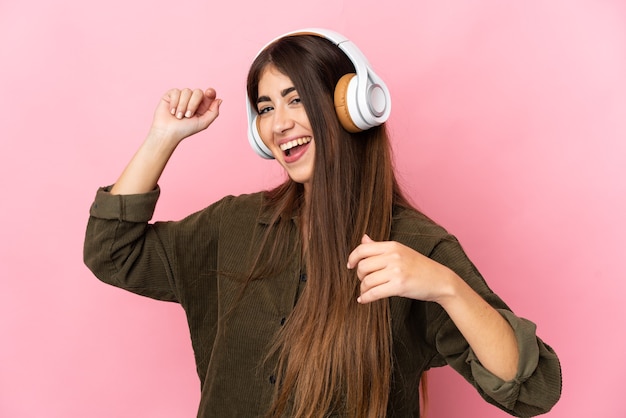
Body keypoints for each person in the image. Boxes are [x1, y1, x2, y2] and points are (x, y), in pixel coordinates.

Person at [83, 28, 562, 417]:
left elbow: (532, 387)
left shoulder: (417, 249)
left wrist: (446, 288)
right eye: (266, 107)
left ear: (350, 109)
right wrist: (162, 137)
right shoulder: (233, 224)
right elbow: (112, 251)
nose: (278, 124)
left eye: (296, 100)